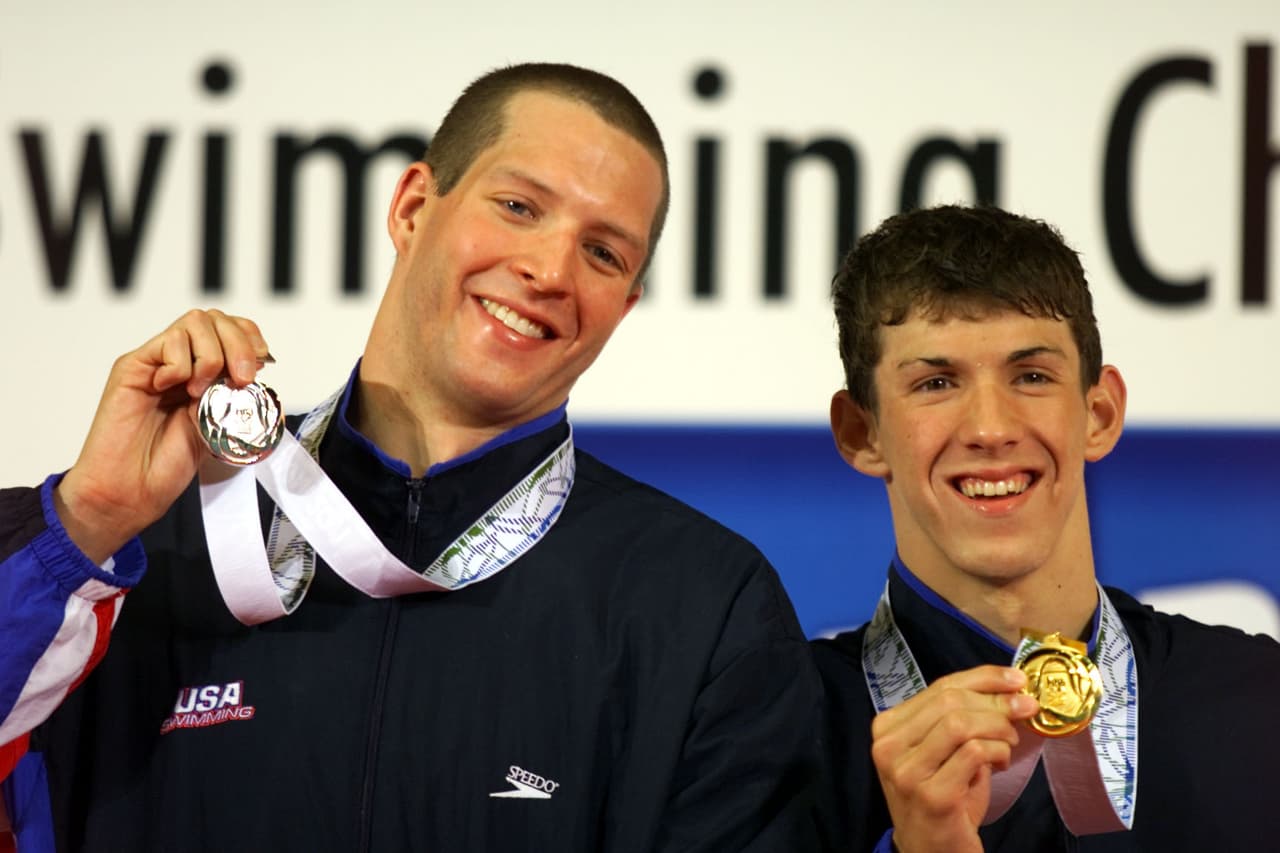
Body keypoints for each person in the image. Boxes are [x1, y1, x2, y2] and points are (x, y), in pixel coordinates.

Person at [0, 63, 822, 852]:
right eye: (518, 205)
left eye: (604, 253)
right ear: (412, 205)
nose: (549, 270)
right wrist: (88, 520)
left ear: (625, 305)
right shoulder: (143, 551)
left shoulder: (705, 603)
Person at [811, 205, 1280, 852]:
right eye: (936, 381)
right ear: (861, 433)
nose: (990, 428)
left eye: (1031, 376)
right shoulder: (773, 728)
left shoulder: (1259, 701)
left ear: (1099, 413)